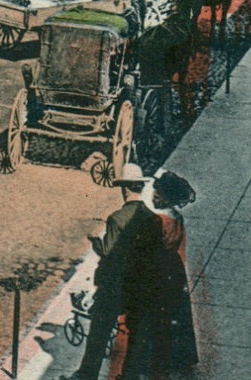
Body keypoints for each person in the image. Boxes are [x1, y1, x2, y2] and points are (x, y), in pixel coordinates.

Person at [71, 163, 164, 380]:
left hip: (115, 287)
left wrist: (96, 242)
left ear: (124, 189)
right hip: (140, 286)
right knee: (135, 333)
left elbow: (108, 251)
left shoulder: (116, 218)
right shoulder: (153, 219)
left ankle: (87, 374)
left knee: (99, 331)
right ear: (140, 188)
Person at [145, 171, 199, 378]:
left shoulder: (158, 222)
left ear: (167, 198)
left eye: (158, 195)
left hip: (158, 274)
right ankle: (179, 358)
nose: (154, 197)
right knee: (176, 318)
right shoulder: (177, 218)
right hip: (174, 273)